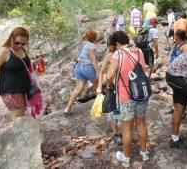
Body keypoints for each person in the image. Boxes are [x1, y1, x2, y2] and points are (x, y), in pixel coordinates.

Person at [107, 31, 149, 168]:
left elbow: (109, 76)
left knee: (127, 128)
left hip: (126, 97)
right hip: (141, 94)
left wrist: (111, 85)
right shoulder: (138, 51)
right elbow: (144, 69)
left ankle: (126, 158)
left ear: (117, 43)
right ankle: (144, 153)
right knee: (141, 123)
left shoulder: (117, 54)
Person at [0, 27, 32, 120]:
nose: (20, 45)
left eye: (23, 44)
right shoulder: (3, 52)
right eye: (17, 42)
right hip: (10, 92)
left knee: (24, 118)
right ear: (11, 38)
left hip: (25, 89)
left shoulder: (21, 49)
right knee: (19, 120)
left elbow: (21, 65)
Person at [64, 30, 99, 115]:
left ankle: (68, 108)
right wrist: (97, 71)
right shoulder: (91, 45)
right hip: (88, 67)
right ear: (94, 38)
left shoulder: (82, 44)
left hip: (78, 67)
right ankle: (99, 108)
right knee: (98, 87)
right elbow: (93, 59)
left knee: (78, 89)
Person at [96, 36, 122, 145]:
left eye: (110, 45)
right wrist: (99, 86)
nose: (109, 48)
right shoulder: (109, 56)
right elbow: (101, 71)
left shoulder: (122, 54)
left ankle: (121, 131)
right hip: (111, 87)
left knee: (120, 110)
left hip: (122, 87)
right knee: (112, 110)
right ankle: (116, 134)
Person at [165, 29, 187, 114]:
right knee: (174, 90)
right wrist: (168, 63)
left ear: (178, 36)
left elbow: (186, 60)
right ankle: (174, 107)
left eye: (175, 35)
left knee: (182, 92)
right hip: (172, 72)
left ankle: (183, 111)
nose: (174, 36)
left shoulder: (185, 46)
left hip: (181, 73)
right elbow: (170, 55)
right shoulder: (175, 44)